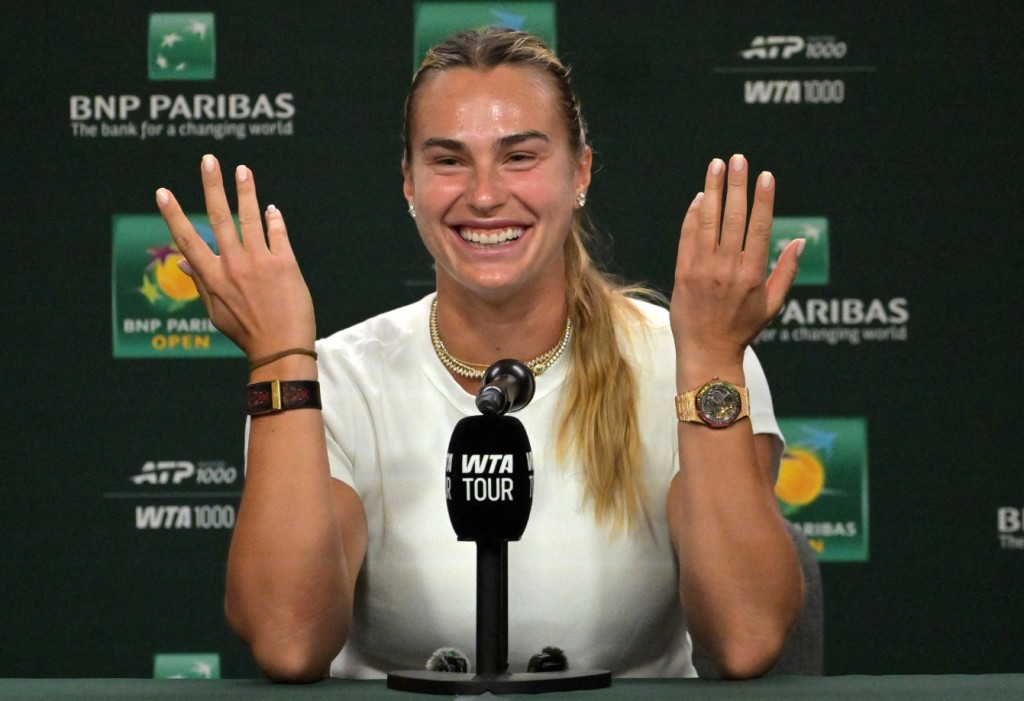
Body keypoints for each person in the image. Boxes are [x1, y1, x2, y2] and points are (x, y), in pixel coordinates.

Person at [155, 27, 805, 683]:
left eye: (520, 156)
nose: (486, 194)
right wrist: (278, 359)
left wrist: (717, 361)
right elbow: (287, 638)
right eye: (448, 160)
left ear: (579, 170)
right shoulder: (333, 378)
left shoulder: (688, 361)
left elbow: (745, 634)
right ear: (408, 181)